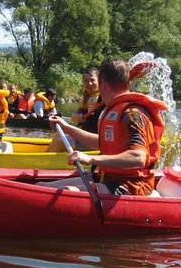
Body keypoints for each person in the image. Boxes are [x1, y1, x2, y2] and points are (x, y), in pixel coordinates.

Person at [39, 59, 167, 196]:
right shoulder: (116, 110)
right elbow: (100, 142)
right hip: (108, 178)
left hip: (131, 184)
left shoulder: (132, 114)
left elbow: (138, 158)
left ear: (103, 83)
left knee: (64, 193)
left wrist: (91, 159)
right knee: (42, 187)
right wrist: (67, 128)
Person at [46, 66, 104, 152]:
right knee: (58, 135)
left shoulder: (103, 97)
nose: (89, 84)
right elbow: (73, 117)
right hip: (85, 135)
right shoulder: (86, 96)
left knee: (61, 141)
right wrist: (79, 117)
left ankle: (41, 164)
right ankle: (46, 161)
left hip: (96, 140)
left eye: (92, 80)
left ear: (99, 80)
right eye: (86, 81)